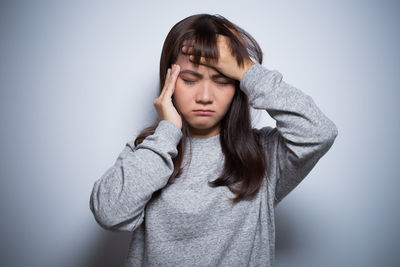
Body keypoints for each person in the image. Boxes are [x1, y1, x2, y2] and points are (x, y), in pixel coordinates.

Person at [89, 13, 338, 267]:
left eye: (221, 81)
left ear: (238, 86)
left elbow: (318, 132)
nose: (205, 96)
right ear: (169, 83)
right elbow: (109, 213)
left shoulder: (263, 155)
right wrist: (166, 133)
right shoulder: (150, 152)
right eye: (189, 80)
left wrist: (247, 70)